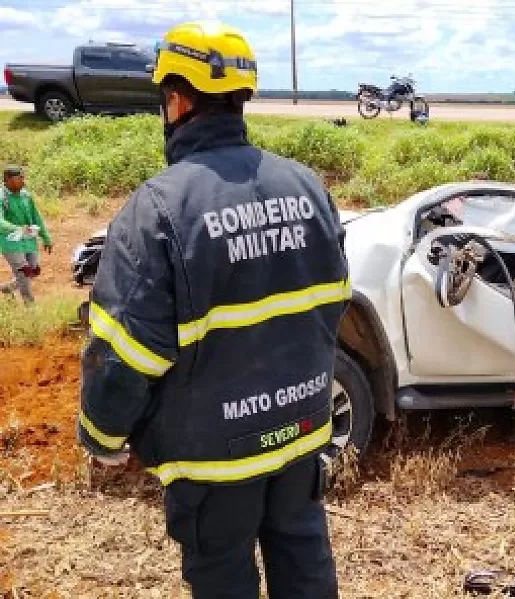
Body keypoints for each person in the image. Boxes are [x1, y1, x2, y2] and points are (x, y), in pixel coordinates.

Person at [77, 21, 350, 599]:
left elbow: (125, 353)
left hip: (213, 459)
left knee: (223, 577)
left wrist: (102, 437)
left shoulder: (157, 209)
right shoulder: (309, 188)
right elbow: (331, 309)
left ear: (175, 100)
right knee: (304, 561)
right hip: (300, 435)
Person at [0, 165, 53, 304]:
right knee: (24, 271)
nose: (24, 181)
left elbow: (36, 217)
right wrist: (17, 228)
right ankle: (30, 306)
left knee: (34, 270)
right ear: (8, 179)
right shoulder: (2, 197)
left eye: (24, 177)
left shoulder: (25, 195)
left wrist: (46, 237)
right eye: (20, 178)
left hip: (29, 240)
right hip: (10, 242)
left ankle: (8, 288)